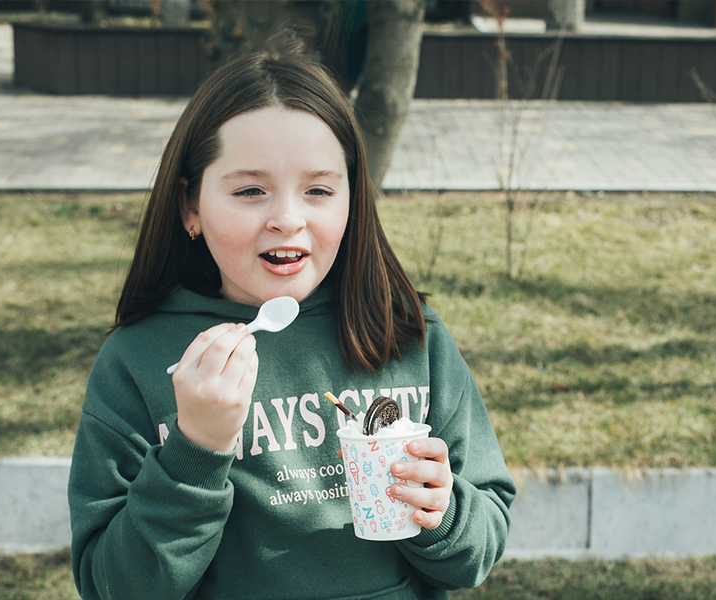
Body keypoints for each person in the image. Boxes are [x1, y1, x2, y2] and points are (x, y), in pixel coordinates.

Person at [68, 48, 515, 600]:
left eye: (320, 190)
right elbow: (114, 587)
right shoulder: (138, 362)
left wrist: (444, 511)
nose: (286, 217)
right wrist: (195, 450)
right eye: (250, 190)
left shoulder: (409, 337)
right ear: (190, 206)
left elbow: (480, 544)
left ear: (353, 201)